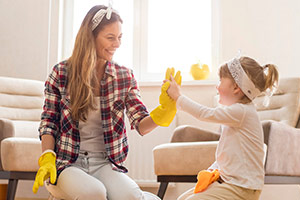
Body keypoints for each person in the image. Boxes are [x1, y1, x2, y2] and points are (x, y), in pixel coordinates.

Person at [32, 4, 181, 200]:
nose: (117, 44)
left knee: (130, 197)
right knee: (95, 193)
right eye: (110, 38)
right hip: (67, 163)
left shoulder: (124, 76)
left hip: (105, 163)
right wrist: (48, 157)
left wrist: (165, 109)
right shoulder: (61, 73)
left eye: (120, 37)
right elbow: (49, 122)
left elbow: (141, 124)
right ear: (90, 36)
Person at [166, 56, 279, 200]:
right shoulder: (236, 114)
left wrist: (178, 97)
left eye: (220, 80)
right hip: (230, 183)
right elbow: (227, 152)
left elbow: (204, 113)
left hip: (242, 188)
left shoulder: (242, 111)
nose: (217, 86)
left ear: (236, 87)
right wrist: (213, 169)